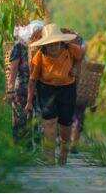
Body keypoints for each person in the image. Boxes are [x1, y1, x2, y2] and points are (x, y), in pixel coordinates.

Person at [24, 23, 85, 165]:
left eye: (56, 44)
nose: (53, 47)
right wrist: (29, 101)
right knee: (49, 121)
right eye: (50, 45)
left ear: (60, 42)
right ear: (45, 45)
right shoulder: (39, 56)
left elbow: (81, 56)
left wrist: (76, 68)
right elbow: (32, 80)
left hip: (67, 89)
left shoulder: (71, 49)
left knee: (65, 123)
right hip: (46, 89)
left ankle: (64, 151)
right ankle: (49, 157)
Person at [6, 20, 44, 147]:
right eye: (37, 34)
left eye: (40, 35)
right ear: (31, 34)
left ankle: (36, 150)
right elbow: (13, 69)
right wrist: (10, 89)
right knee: (20, 120)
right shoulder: (20, 47)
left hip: (38, 89)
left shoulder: (42, 48)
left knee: (38, 120)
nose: (38, 37)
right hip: (22, 89)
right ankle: (21, 150)